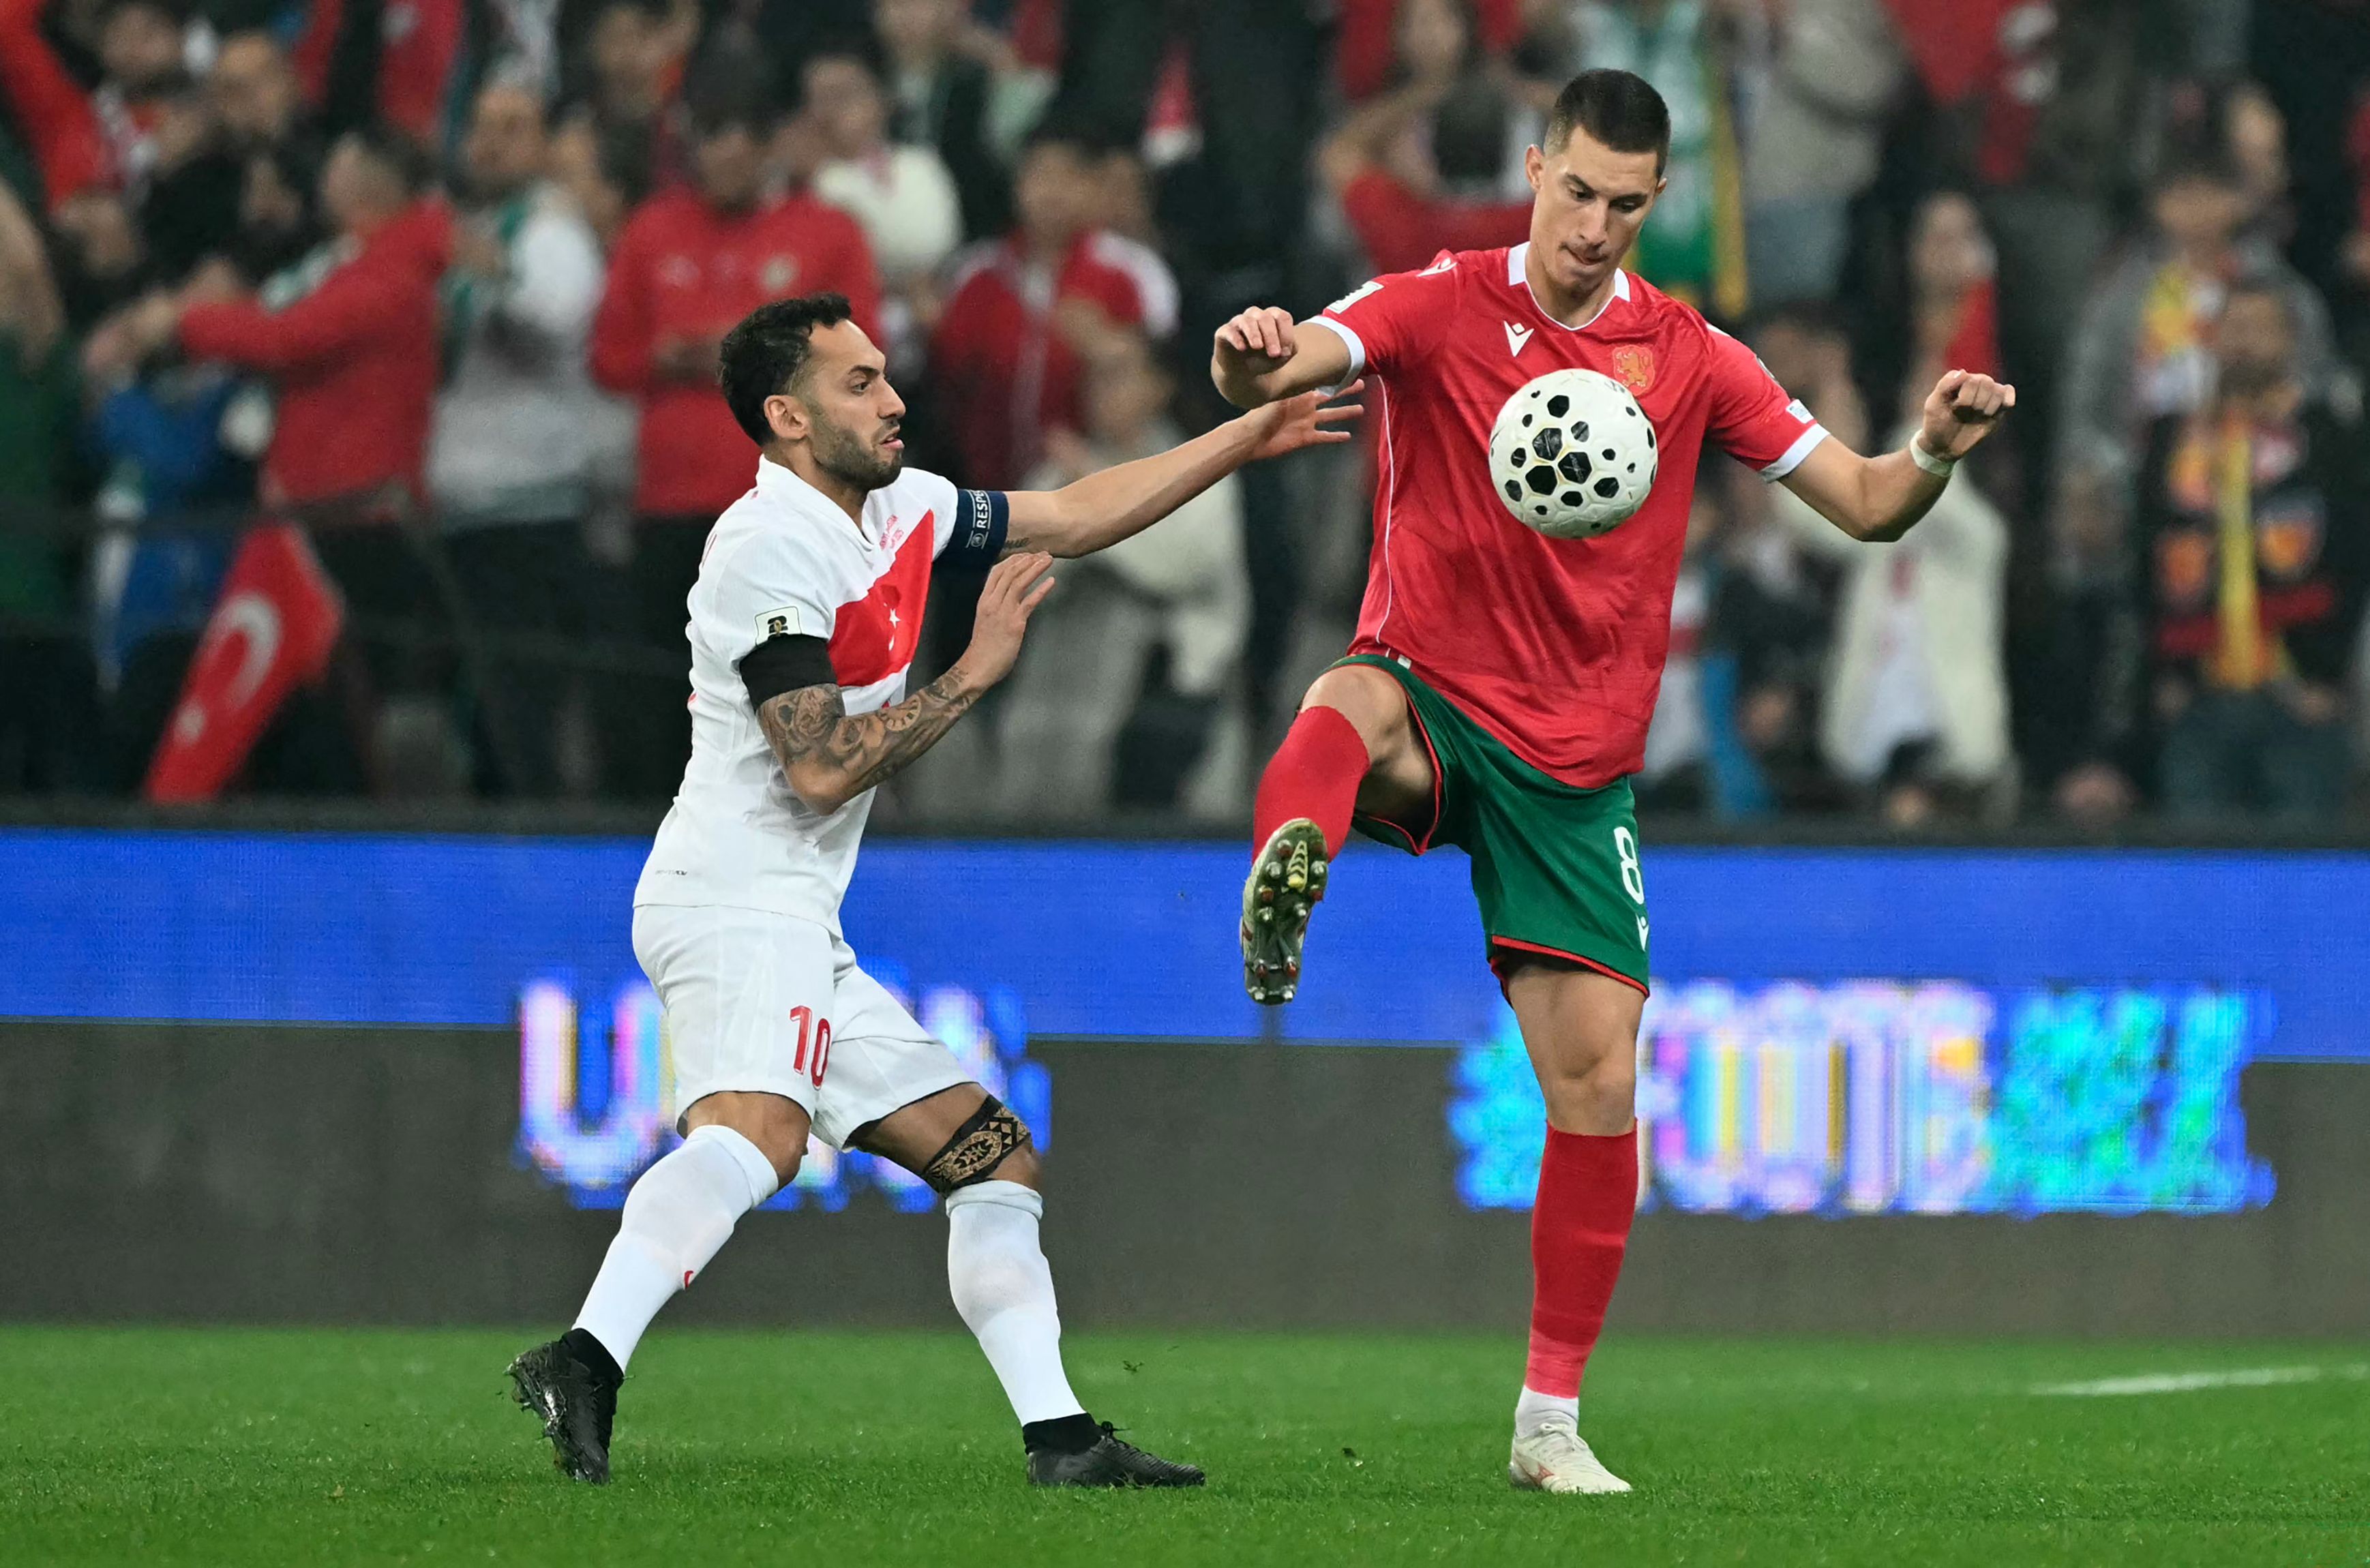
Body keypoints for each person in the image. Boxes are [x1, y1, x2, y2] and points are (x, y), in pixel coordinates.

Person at [1208, 69, 2011, 1494]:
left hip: (1577, 771)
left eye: (1624, 204)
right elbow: (1275, 372)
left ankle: (1545, 1425)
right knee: (1350, 694)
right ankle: (1289, 863)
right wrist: (1251, 349)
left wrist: (1937, 450)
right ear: (1534, 165)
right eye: (1574, 190)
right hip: (1435, 692)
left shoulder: (1693, 356)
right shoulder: (1431, 302)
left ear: (1657, 203)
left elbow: (1873, 503)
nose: (1591, 226)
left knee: (1596, 1092)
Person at [507, 291, 1358, 1487]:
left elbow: (1069, 512)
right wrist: (972, 673)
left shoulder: (903, 506)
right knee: (758, 1132)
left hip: (797, 911)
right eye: (858, 383)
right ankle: (583, 1359)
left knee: (992, 1153)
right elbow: (813, 771)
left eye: (885, 374)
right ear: (787, 416)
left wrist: (1241, 443)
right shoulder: (765, 549)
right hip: (732, 898)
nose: (893, 397)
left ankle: (1062, 1440)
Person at [588, 76, 881, 797]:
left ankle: (801, 815)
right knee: (671, 676)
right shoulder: (652, 230)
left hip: (785, 508)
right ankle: (667, 820)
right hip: (670, 504)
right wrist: (662, 356)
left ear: (768, 147)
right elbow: (607, 358)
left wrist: (747, 353)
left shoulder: (826, 231)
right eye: (708, 145)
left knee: (787, 677)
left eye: (737, 145)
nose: (722, 161)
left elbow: (862, 358)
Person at [2058, 278, 2369, 826]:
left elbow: (2354, 556)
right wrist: (2166, 677)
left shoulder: (2329, 435)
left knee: (2300, 877)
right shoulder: (2173, 440)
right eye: (2234, 328)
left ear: (2291, 341)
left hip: (2301, 694)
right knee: (2200, 873)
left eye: (2261, 329)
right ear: (2212, 338)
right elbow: (2145, 566)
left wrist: (2331, 675)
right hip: (2199, 696)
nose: (2245, 342)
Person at [429, 78, 611, 797]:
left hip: (531, 499)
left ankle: (531, 855)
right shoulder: (465, 227)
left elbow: (557, 318)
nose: (492, 140)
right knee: (477, 707)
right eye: (481, 124)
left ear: (542, 145)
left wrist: (494, 271)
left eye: (513, 126)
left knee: (520, 706)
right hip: (462, 500)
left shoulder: (547, 231)